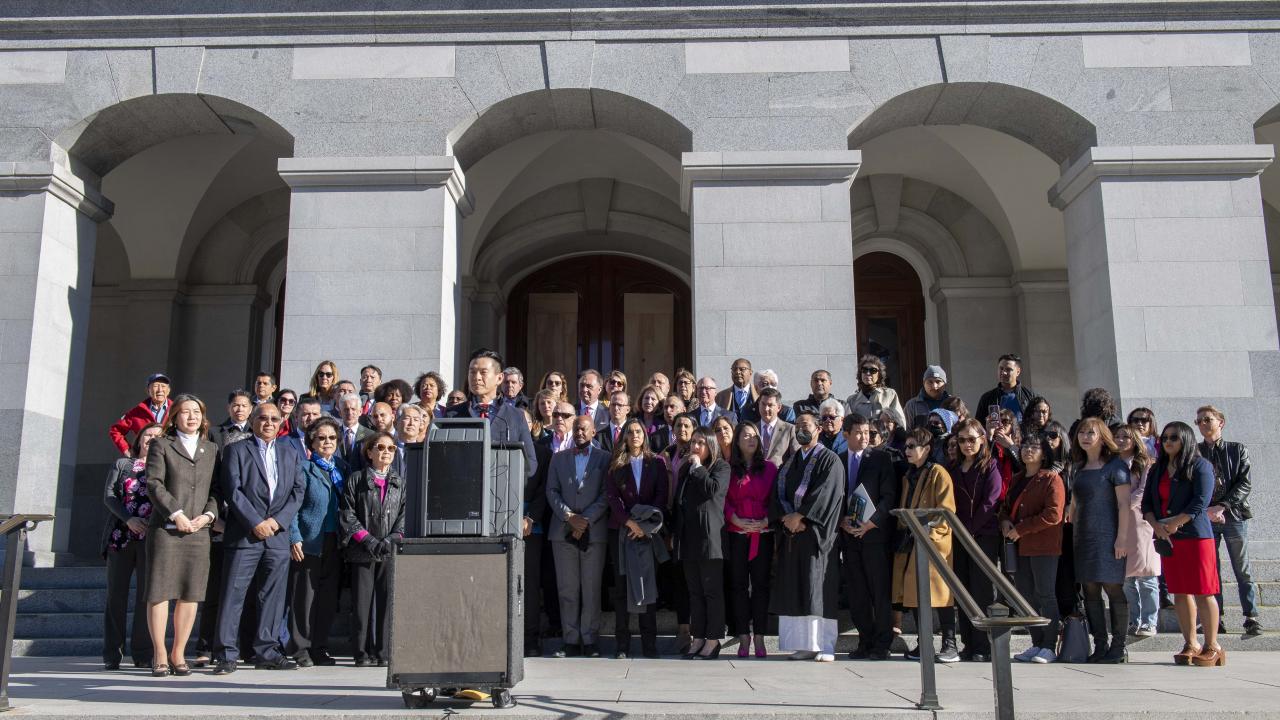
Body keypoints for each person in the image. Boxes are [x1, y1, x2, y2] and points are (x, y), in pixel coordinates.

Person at [213, 402, 306, 674]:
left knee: (273, 597)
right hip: (245, 535)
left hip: (277, 537)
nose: (268, 423)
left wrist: (277, 522)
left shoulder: (290, 453)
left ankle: (266, 650)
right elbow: (233, 490)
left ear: (281, 423)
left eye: (274, 419)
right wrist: (255, 522)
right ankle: (226, 654)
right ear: (253, 421)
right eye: (263, 418)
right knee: (233, 595)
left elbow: (298, 492)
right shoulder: (236, 450)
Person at [143, 394, 218, 677]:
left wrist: (208, 516)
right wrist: (176, 513)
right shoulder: (162, 445)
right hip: (167, 530)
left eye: (196, 411)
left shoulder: (210, 449)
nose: (192, 416)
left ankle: (178, 652)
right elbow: (154, 483)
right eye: (185, 412)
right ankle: (160, 653)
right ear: (174, 417)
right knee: (160, 591)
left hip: (199, 531)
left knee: (191, 593)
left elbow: (217, 489)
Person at [770, 411, 845, 662]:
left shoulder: (830, 460)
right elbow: (777, 496)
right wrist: (786, 518)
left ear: (818, 429)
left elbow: (827, 494)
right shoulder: (790, 463)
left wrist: (802, 516)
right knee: (795, 588)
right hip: (792, 536)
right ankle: (804, 644)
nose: (801, 428)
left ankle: (824, 645)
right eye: (798, 425)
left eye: (806, 425)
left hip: (815, 536)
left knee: (817, 588)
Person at [1145, 421, 1222, 666]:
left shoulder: (1200, 465)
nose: (1168, 441)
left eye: (1174, 437)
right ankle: (1191, 643)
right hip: (1167, 536)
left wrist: (1177, 522)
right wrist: (1157, 525)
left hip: (1196, 537)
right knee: (1179, 591)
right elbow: (1147, 503)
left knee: (1203, 591)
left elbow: (1201, 501)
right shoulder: (1157, 469)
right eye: (1165, 437)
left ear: (1186, 439)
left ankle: (1213, 646)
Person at [892, 427, 959, 663]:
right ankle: (924, 643)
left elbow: (946, 510)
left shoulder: (938, 473)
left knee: (941, 595)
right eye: (906, 446)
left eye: (912, 446)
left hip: (933, 542)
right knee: (914, 595)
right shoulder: (910, 475)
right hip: (911, 541)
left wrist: (929, 531)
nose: (907, 451)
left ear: (927, 449)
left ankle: (950, 644)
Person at [546, 416, 611, 658]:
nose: (580, 432)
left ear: (594, 431)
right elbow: (551, 490)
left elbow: (607, 493)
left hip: (593, 532)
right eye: (576, 428)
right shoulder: (559, 458)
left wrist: (585, 520)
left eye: (584, 428)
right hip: (563, 532)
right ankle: (570, 640)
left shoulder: (605, 458)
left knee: (591, 588)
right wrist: (568, 516)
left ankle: (590, 639)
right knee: (567, 588)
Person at [605, 417, 669, 659]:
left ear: (645, 435)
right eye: (630, 432)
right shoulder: (616, 464)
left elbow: (661, 497)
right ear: (624, 437)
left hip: (647, 534)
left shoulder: (657, 464)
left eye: (638, 432)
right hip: (622, 532)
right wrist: (629, 522)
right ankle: (622, 645)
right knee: (622, 589)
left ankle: (649, 645)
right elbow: (612, 498)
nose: (634, 436)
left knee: (647, 588)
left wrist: (644, 526)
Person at [341, 431, 407, 666]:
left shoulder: (399, 481)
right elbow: (347, 513)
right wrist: (367, 540)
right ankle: (361, 652)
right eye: (380, 447)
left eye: (390, 448)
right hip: (362, 551)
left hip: (389, 551)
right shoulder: (356, 479)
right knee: (362, 604)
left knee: (386, 603)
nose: (386, 452)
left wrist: (391, 540)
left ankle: (383, 652)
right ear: (369, 452)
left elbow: (404, 516)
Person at [1196, 405, 1262, 637]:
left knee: (1241, 568)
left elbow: (1245, 483)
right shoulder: (1195, 452)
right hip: (1206, 519)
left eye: (1207, 419)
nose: (1203, 424)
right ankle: (1216, 618)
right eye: (1199, 421)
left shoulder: (1237, 449)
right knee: (1211, 569)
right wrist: (1206, 509)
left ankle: (1251, 617)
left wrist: (1222, 506)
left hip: (1233, 516)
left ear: (1220, 422)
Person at [286, 417, 346, 668]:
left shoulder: (342, 468)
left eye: (331, 438)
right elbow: (292, 506)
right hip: (309, 541)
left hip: (336, 542)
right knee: (304, 599)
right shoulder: (303, 468)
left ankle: (319, 647)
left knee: (327, 600)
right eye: (321, 438)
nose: (327, 442)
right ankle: (301, 648)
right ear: (311, 441)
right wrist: (294, 536)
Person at [1001, 432, 1066, 664]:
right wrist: (1006, 520)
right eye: (1026, 445)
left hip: (1044, 546)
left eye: (1035, 447)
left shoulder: (1051, 479)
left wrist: (1022, 529)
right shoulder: (1018, 478)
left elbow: (1053, 514)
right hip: (1020, 547)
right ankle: (1036, 642)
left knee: (1045, 595)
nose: (1029, 450)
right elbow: (1006, 507)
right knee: (1026, 596)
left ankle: (1049, 645)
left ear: (1044, 453)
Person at [1070, 417, 1131, 664]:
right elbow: (1074, 503)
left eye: (1091, 432)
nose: (1085, 437)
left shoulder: (1115, 466)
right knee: (1091, 591)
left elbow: (1124, 505)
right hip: (1083, 537)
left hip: (1109, 536)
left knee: (1113, 588)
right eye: (1082, 432)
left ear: (1102, 436)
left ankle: (1119, 646)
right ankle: (1100, 645)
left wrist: (1122, 539)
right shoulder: (1078, 466)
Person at [838, 414, 898, 661]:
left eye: (867, 432)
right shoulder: (838, 460)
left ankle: (882, 643)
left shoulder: (882, 458)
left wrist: (871, 524)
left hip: (874, 535)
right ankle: (865, 640)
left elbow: (889, 496)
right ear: (846, 435)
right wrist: (842, 521)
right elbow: (835, 497)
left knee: (879, 591)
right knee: (857, 592)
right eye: (859, 433)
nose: (864, 437)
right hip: (848, 536)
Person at [102, 423, 162, 670]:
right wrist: (129, 519)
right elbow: (109, 496)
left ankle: (143, 652)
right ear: (139, 439)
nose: (152, 439)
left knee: (145, 597)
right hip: (122, 536)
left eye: (159, 436)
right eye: (148, 435)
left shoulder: (165, 468)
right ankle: (112, 653)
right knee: (116, 594)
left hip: (151, 538)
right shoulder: (123, 464)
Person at [947, 418, 1003, 661]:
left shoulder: (990, 465)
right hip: (959, 536)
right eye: (962, 440)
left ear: (982, 439)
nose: (967, 444)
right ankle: (968, 643)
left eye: (972, 439)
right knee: (963, 591)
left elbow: (991, 501)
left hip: (982, 536)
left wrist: (970, 529)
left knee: (981, 592)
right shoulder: (953, 468)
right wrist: (960, 530)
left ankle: (983, 646)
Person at [673, 426, 730, 659]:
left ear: (710, 445)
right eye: (693, 443)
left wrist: (697, 467)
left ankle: (713, 639)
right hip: (689, 539)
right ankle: (698, 637)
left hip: (710, 540)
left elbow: (712, 490)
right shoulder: (687, 468)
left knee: (711, 592)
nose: (695, 447)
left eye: (700, 443)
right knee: (694, 592)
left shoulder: (721, 467)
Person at [723, 422, 776, 659]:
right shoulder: (728, 469)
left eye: (755, 435)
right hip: (737, 533)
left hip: (762, 534)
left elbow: (777, 498)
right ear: (737, 441)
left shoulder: (770, 468)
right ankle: (743, 636)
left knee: (762, 586)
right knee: (738, 586)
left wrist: (766, 520)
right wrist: (733, 518)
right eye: (746, 435)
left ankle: (760, 637)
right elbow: (721, 499)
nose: (751, 439)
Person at [442, 349, 538, 481]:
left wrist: (507, 479)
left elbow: (530, 463)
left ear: (499, 378)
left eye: (483, 372)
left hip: (503, 491)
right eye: (472, 372)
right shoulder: (453, 414)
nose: (476, 377)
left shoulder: (516, 416)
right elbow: (443, 456)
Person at [1114, 423, 1159, 638]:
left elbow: (1143, 492)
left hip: (1140, 521)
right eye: (1118, 436)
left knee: (1147, 574)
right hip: (1117, 523)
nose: (1121, 440)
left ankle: (1150, 621)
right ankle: (1135, 620)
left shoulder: (1145, 464)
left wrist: (1122, 505)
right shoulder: (1111, 464)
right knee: (1127, 577)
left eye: (1126, 437)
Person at [521, 407, 552, 657]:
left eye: (525, 421)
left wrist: (530, 517)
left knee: (530, 584)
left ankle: (530, 638)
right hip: (501, 523)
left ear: (533, 425)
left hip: (532, 526)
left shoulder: (543, 452)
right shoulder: (499, 448)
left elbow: (545, 489)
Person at [109, 373, 173, 456]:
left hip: (169, 459)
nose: (160, 390)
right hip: (145, 460)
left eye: (163, 386)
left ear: (168, 390)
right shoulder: (137, 412)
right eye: (155, 386)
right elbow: (115, 430)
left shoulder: (176, 410)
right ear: (148, 390)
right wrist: (126, 449)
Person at [974, 354, 1037, 426]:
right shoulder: (987, 398)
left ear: (1018, 372)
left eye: (1008, 369)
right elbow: (979, 427)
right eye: (1001, 368)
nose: (1003, 372)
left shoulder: (1030, 396)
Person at [846, 355, 906, 429]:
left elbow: (900, 421)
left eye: (873, 370)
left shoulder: (889, 394)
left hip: (885, 438)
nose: (868, 373)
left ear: (879, 375)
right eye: (864, 370)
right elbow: (848, 426)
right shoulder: (852, 400)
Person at [756, 388, 797, 467]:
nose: (766, 408)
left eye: (770, 405)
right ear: (758, 404)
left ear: (779, 407)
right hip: (755, 476)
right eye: (763, 404)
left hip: (779, 475)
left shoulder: (790, 429)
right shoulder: (752, 429)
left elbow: (795, 457)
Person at [335, 392, 373, 469]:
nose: (350, 413)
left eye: (353, 409)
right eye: (346, 409)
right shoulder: (333, 434)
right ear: (340, 413)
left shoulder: (370, 435)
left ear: (360, 411)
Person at [716, 358, 759, 423]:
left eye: (742, 369)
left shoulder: (759, 394)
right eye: (734, 369)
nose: (737, 372)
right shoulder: (720, 396)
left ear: (750, 372)